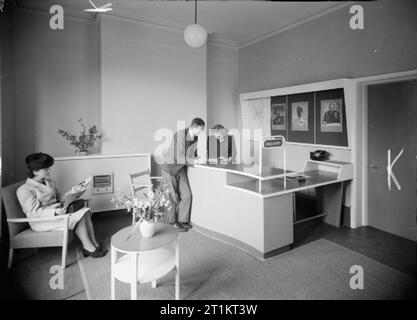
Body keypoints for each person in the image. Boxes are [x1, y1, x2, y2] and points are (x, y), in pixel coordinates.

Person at [16, 153, 106, 258]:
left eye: (49, 168)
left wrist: (75, 191)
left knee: (85, 211)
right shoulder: (24, 189)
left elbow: (61, 198)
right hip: (41, 221)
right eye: (46, 169)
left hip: (59, 212)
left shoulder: (49, 182)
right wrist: (54, 212)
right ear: (35, 171)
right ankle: (89, 247)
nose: (49, 171)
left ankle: (94, 244)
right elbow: (35, 212)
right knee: (79, 217)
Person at [161, 118, 205, 232]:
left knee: (187, 195)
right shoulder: (180, 134)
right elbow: (180, 157)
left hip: (181, 168)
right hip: (170, 168)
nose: (201, 132)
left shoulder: (195, 137)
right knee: (172, 197)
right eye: (200, 129)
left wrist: (197, 158)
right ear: (194, 127)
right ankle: (171, 222)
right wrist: (195, 161)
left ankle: (182, 219)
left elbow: (190, 154)